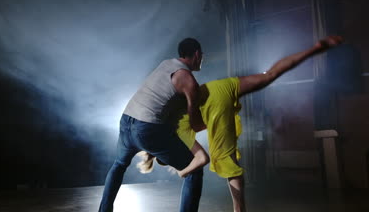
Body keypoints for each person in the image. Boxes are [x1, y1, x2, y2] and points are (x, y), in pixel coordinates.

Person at [137, 35, 343, 212]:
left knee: (225, 160)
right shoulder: (172, 120)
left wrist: (183, 172)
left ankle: (239, 210)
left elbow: (201, 159)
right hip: (217, 88)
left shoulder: (179, 132)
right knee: (268, 76)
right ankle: (315, 48)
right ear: (198, 54)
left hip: (215, 106)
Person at [99, 38, 207, 212]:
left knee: (118, 165)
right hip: (147, 128)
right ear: (196, 54)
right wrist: (214, 122)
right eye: (202, 55)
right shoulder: (189, 81)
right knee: (194, 169)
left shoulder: (166, 64)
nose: (203, 58)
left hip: (126, 119)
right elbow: (195, 123)